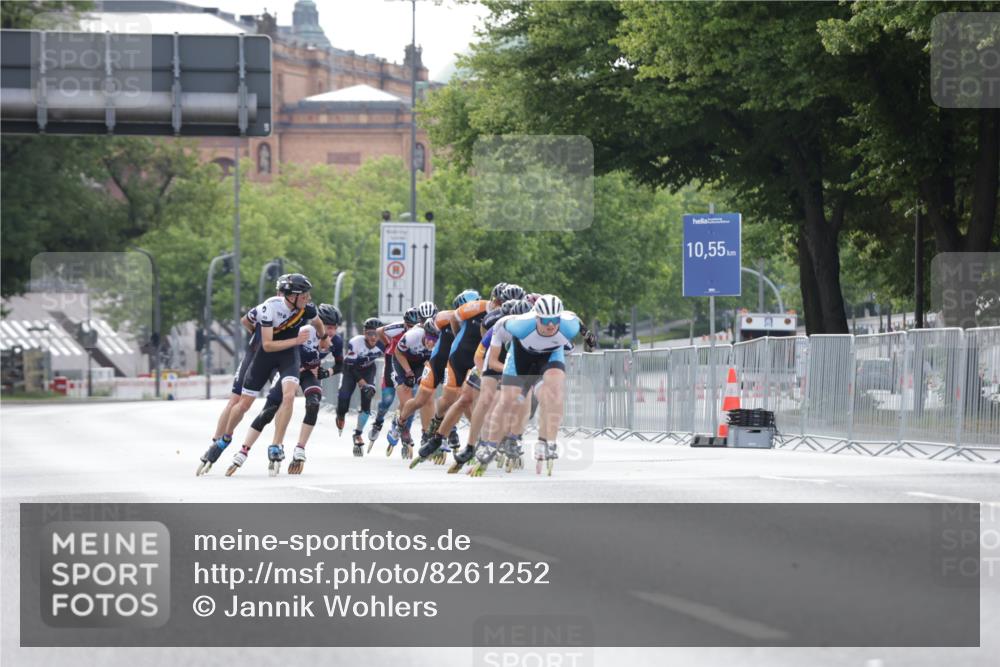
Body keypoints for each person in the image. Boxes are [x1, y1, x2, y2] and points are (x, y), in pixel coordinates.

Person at [197, 274, 323, 475]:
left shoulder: (307, 308)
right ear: (291, 295)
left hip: (287, 356)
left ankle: (276, 444)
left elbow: (318, 324)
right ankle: (221, 440)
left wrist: (323, 338)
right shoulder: (268, 307)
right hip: (260, 354)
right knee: (239, 402)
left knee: (288, 396)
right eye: (304, 294)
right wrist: (261, 335)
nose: (308, 298)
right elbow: (252, 328)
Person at [470, 294, 581, 477]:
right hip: (520, 356)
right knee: (507, 402)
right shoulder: (515, 326)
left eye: (555, 320)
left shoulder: (569, 326)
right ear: (536, 318)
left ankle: (544, 441)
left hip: (547, 357)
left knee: (553, 393)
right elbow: (493, 343)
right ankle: (489, 445)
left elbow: (576, 329)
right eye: (546, 321)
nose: (551, 325)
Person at [225, 304, 342, 476]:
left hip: (309, 375)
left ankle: (300, 449)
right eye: (328, 327)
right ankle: (243, 450)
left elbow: (341, 364)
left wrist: (327, 372)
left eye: (334, 328)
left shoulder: (336, 341)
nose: (330, 332)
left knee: (313, 403)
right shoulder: (304, 331)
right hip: (289, 371)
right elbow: (283, 355)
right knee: (269, 411)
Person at [389, 318, 440, 458]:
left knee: (428, 397)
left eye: (435, 340)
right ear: (425, 334)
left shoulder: (440, 344)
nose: (431, 342)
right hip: (402, 362)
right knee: (406, 398)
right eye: (429, 338)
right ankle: (400, 423)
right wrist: (408, 372)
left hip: (420, 364)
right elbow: (398, 353)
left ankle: (426, 435)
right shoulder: (413, 336)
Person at [337, 317, 385, 456]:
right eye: (370, 333)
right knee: (344, 399)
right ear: (364, 333)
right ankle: (340, 415)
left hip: (368, 369)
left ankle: (357, 434)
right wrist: (361, 382)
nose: (373, 337)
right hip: (351, 370)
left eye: (376, 334)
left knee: (367, 398)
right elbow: (351, 368)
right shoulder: (355, 343)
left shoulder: (382, 343)